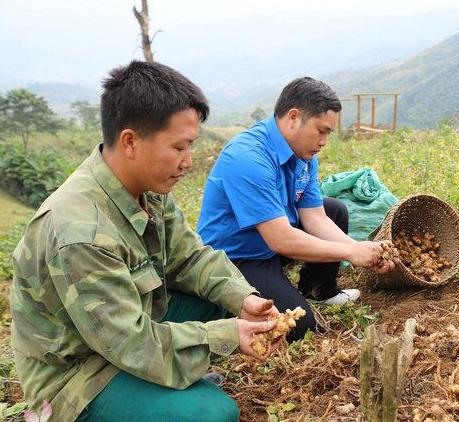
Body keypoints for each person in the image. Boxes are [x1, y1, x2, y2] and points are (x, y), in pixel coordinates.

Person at [10, 61, 280, 422]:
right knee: (212, 414)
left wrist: (242, 299)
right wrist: (227, 335)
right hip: (78, 373)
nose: (188, 162)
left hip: (124, 326)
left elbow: (189, 258)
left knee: (223, 300)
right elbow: (130, 343)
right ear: (131, 142)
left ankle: (167, 385)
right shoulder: (78, 231)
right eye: (179, 147)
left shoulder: (148, 188)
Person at [197, 77, 394, 341]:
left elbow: (315, 218)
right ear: (293, 117)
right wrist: (350, 251)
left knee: (334, 210)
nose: (324, 141)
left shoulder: (304, 154)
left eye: (328, 134)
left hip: (271, 241)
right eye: (320, 131)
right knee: (299, 326)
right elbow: (280, 239)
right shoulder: (248, 158)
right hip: (238, 256)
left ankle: (319, 290)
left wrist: (358, 249)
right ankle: (226, 307)